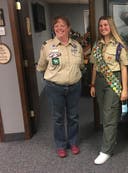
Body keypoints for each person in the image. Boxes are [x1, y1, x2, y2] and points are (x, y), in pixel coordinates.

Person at [36, 16, 84, 158]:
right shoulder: (47, 46)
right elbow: (41, 67)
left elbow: (81, 65)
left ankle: (73, 142)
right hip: (54, 88)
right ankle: (61, 145)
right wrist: (52, 80)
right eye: (56, 25)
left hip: (74, 87)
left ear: (68, 28)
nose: (59, 28)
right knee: (58, 118)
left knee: (73, 116)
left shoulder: (77, 46)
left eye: (62, 25)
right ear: (54, 29)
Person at [90, 16, 128, 164]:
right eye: (100, 25)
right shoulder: (97, 45)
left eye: (105, 25)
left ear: (111, 26)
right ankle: (111, 140)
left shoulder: (120, 46)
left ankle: (106, 150)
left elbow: (124, 68)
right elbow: (94, 65)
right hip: (99, 82)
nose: (103, 27)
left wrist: (124, 90)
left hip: (113, 82)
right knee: (104, 113)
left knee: (109, 115)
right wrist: (93, 84)